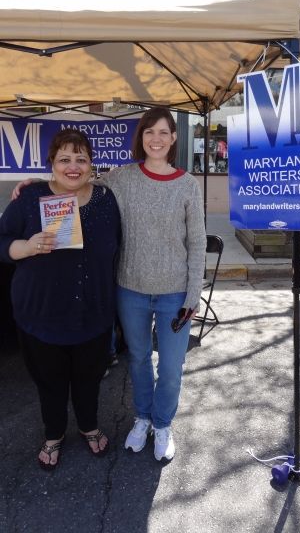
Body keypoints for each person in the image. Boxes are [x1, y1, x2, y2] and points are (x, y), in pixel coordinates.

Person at [12, 107, 206, 462]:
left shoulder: (187, 185)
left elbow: (197, 242)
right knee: (139, 360)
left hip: (175, 292)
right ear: (141, 137)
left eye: (164, 132)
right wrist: (34, 185)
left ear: (174, 137)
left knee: (171, 366)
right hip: (130, 289)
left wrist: (193, 294)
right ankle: (142, 418)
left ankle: (162, 424)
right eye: (150, 132)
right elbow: (78, 182)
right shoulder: (122, 178)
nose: (156, 139)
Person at [0, 129, 121, 470]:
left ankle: (88, 426)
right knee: (50, 383)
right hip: (41, 315)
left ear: (91, 165)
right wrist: (25, 247)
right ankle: (53, 434)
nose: (73, 167)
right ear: (51, 162)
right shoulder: (29, 197)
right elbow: (2, 239)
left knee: (89, 379)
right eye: (64, 159)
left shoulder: (106, 200)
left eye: (81, 159)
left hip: (93, 314)